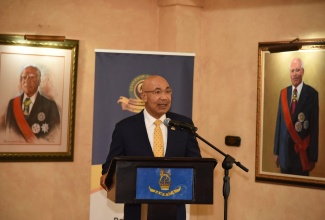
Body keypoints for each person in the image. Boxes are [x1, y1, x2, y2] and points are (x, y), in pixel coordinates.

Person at [100, 75, 201, 220]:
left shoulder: (183, 125)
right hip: (137, 211)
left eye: (167, 91)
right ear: (144, 96)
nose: (164, 97)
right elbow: (110, 164)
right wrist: (107, 174)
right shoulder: (125, 128)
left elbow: (196, 163)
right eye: (157, 92)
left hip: (175, 211)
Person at [274, 58, 319, 176]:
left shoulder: (312, 94)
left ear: (303, 71)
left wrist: (313, 157)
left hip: (302, 156)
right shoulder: (283, 93)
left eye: (297, 70)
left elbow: (314, 129)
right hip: (284, 155)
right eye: (292, 71)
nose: (294, 74)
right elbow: (279, 124)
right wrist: (276, 152)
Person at [5, 65, 60, 143]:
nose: (27, 80)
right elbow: (8, 132)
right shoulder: (12, 103)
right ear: (21, 81)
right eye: (24, 77)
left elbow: (55, 135)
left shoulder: (50, 106)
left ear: (39, 81)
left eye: (31, 77)